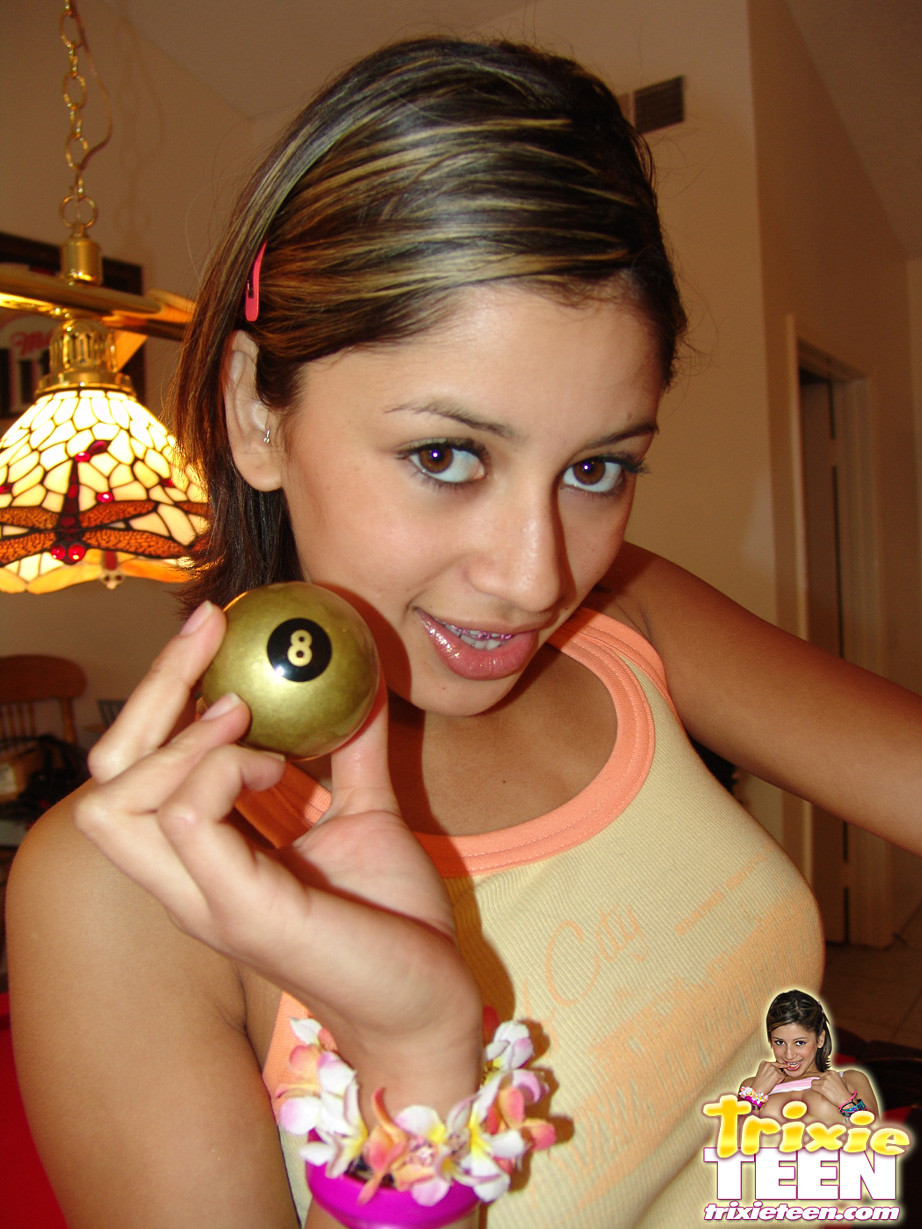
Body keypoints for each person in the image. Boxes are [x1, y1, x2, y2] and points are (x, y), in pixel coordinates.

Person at [6, 35, 922, 1229]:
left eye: (596, 466)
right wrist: (416, 1057)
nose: (536, 574)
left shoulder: (623, 613)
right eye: (446, 455)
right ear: (254, 413)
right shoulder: (126, 887)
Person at [738, 989, 880, 1129]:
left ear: (820, 1039)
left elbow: (875, 1141)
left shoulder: (851, 1079)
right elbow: (731, 1144)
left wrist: (845, 1101)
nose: (789, 1055)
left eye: (800, 1043)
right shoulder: (752, 1085)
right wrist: (754, 1096)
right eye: (779, 1042)